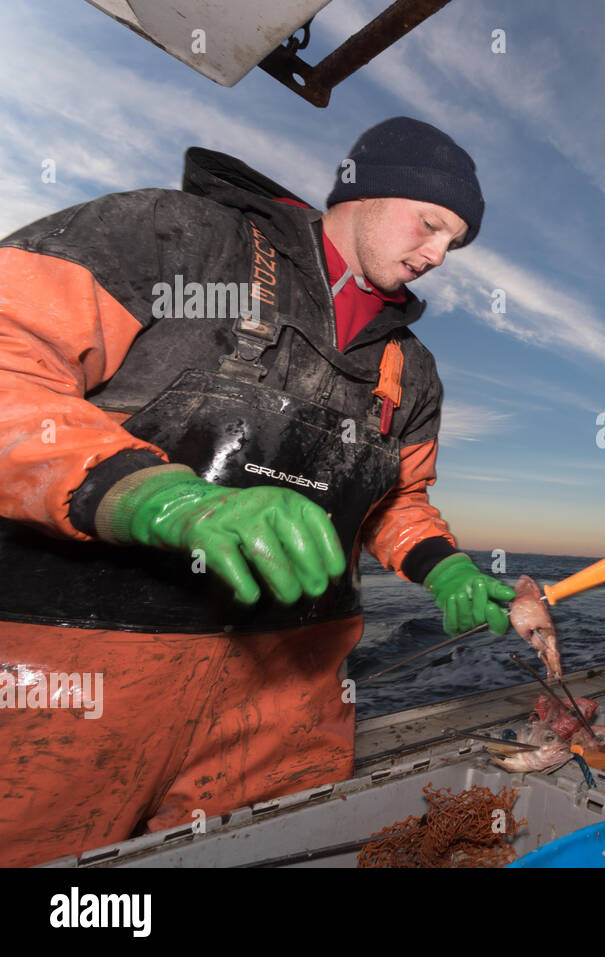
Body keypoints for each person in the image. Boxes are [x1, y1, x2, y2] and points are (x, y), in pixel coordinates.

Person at [0, 117, 515, 866]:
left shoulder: (413, 370)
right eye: (430, 223)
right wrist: (155, 496)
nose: (438, 255)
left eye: (454, 244)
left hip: (294, 695)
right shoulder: (177, 239)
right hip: (76, 681)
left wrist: (445, 566)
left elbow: (398, 499)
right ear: (362, 190)